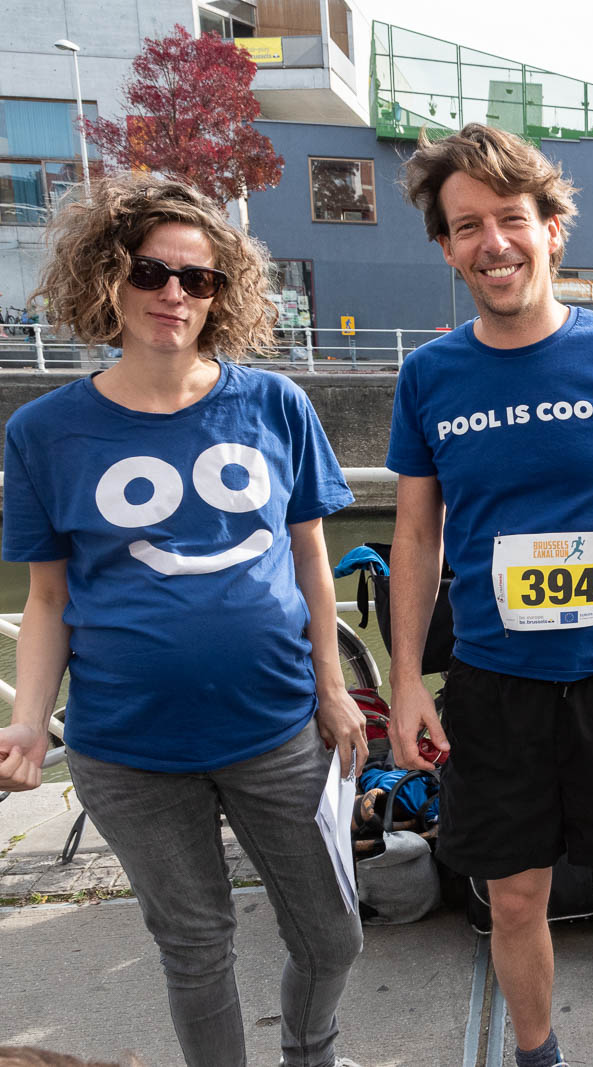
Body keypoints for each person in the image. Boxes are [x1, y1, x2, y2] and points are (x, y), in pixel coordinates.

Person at [0, 174, 365, 1067]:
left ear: (222, 293)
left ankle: (308, 1056)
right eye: (151, 271)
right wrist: (24, 722)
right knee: (196, 948)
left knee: (332, 935)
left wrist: (337, 688)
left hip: (278, 728)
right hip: (127, 748)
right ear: (106, 279)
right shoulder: (47, 431)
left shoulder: (274, 404)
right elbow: (47, 598)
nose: (173, 293)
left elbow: (312, 557)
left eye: (196, 279)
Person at [384, 124, 593, 1067]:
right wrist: (407, 681)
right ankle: (538, 1057)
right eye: (467, 226)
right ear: (446, 247)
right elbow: (415, 535)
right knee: (514, 897)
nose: (494, 242)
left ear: (553, 228)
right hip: (495, 679)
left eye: (512, 218)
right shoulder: (430, 374)